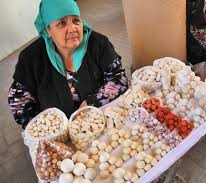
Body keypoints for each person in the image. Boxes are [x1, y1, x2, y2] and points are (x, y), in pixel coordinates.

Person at [8, 0, 128, 129]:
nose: (72, 29)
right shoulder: (31, 58)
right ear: (47, 29)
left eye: (76, 21)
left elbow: (119, 80)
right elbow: (19, 103)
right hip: (57, 132)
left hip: (98, 121)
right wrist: (48, 128)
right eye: (62, 23)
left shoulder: (98, 44)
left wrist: (90, 104)